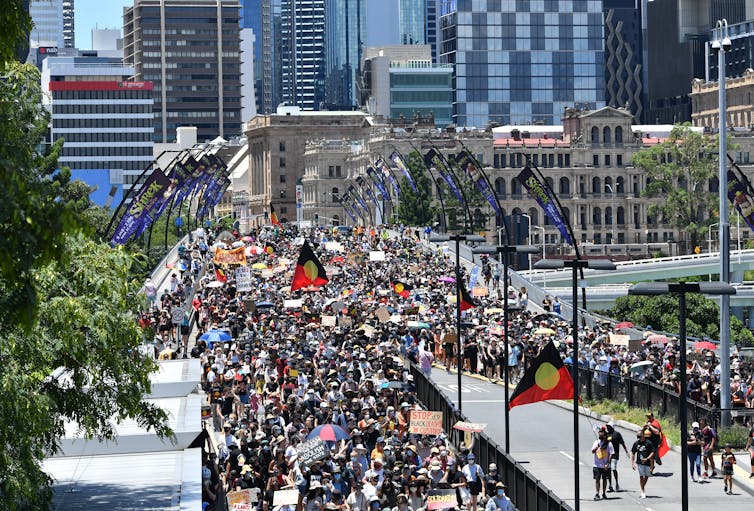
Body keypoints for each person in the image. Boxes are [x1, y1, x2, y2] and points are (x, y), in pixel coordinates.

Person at [631, 429, 656, 499]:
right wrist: (632, 463)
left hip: (648, 462)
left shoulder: (648, 443)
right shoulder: (636, 443)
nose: (638, 437)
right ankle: (643, 491)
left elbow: (653, 452)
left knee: (647, 476)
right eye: (637, 436)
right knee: (641, 476)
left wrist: (647, 458)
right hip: (639, 462)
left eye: (639, 435)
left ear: (643, 435)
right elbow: (633, 453)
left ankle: (642, 487)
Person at [591, 426, 614, 500]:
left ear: (605, 435)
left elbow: (611, 454)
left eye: (601, 434)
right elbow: (592, 451)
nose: (600, 435)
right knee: (597, 479)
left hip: (605, 466)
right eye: (599, 433)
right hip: (597, 465)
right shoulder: (596, 442)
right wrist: (597, 447)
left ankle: (604, 493)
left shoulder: (609, 444)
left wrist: (608, 463)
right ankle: (597, 493)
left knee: (604, 479)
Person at [605, 422, 628, 492]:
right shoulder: (606, 434)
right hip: (607, 455)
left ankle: (617, 484)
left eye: (608, 426)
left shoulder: (617, 434)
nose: (607, 427)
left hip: (615, 454)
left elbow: (622, 443)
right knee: (608, 471)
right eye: (607, 426)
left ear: (612, 427)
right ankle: (610, 486)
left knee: (613, 469)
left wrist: (626, 451)